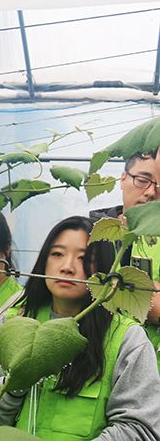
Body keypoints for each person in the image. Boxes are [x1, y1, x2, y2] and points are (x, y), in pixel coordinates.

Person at [0, 216, 160, 440]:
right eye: (57, 254)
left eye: (83, 258)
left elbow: (140, 428)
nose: (67, 267)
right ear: (44, 260)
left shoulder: (126, 338)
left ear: (104, 268)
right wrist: (16, 381)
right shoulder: (15, 321)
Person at [90, 150, 160, 367]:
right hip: (95, 363)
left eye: (159, 186)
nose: (150, 192)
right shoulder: (90, 235)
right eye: (142, 180)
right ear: (123, 179)